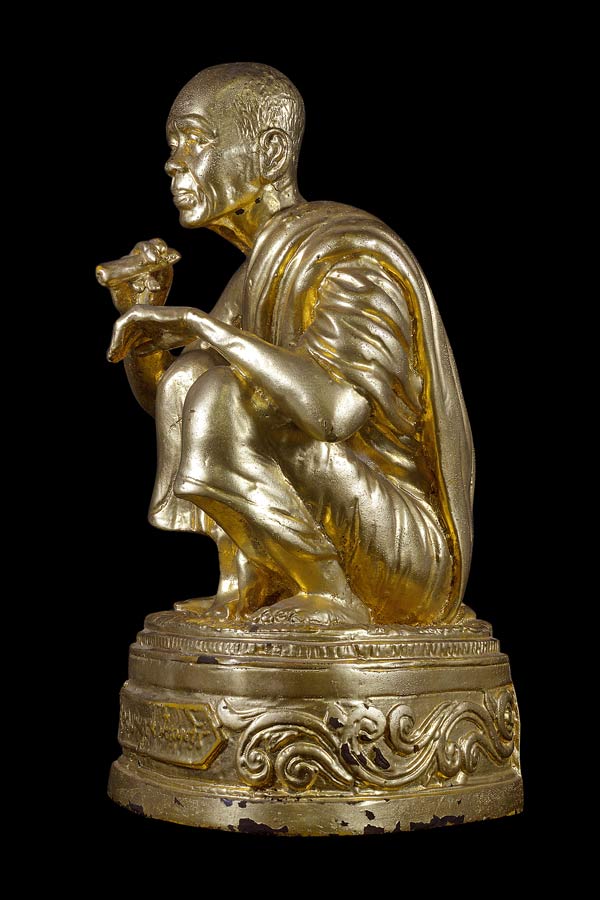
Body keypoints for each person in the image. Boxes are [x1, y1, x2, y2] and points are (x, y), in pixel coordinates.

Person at [104, 62, 474, 628]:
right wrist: (141, 320)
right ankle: (250, 585)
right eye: (173, 145)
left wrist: (205, 327)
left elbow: (333, 411)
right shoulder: (258, 268)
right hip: (343, 512)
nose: (174, 162)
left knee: (224, 393)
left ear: (272, 155)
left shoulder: (349, 256)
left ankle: (331, 596)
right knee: (196, 384)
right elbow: (172, 404)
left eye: (197, 141)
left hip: (407, 556)